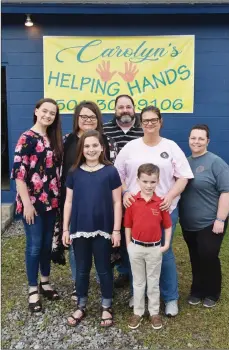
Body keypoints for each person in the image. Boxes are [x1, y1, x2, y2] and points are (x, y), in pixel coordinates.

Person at [114, 105, 194, 316]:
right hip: (136, 209)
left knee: (163, 253)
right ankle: (137, 294)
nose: (149, 123)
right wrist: (125, 193)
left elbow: (184, 176)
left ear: (160, 122)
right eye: (145, 120)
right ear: (140, 122)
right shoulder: (131, 147)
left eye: (154, 120)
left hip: (164, 208)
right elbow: (116, 173)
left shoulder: (171, 147)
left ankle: (170, 298)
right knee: (135, 253)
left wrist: (170, 196)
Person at [55, 100, 117, 301]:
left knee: (102, 253)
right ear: (76, 118)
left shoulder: (107, 141)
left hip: (101, 203)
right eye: (83, 116)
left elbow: (113, 173)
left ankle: (103, 284)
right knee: (77, 247)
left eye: (92, 116)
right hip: (73, 198)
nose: (87, 120)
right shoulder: (66, 141)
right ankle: (78, 284)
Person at [62, 130, 122, 327]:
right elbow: (68, 202)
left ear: (102, 147)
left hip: (103, 229)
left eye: (95, 145)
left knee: (104, 269)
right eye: (87, 146)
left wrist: (116, 230)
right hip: (79, 229)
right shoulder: (74, 172)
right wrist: (65, 229)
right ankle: (81, 304)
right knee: (82, 269)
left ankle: (106, 305)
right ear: (81, 149)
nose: (91, 149)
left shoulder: (111, 171)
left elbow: (116, 203)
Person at [11, 98, 63, 313]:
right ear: (36, 111)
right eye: (45, 111)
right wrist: (27, 204)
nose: (48, 115)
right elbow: (19, 175)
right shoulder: (26, 138)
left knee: (45, 245)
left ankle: (45, 281)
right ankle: (33, 289)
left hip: (51, 202)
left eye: (52, 113)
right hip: (32, 203)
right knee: (34, 245)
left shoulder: (53, 138)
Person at [179, 124, 229, 308]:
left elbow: (226, 191)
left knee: (208, 255)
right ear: (189, 139)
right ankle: (197, 290)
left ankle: (212, 292)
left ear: (207, 141)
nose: (196, 141)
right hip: (189, 222)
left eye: (201, 138)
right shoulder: (185, 162)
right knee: (195, 255)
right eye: (193, 138)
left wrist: (220, 219)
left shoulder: (216, 162)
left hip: (210, 222)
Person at [125, 163, 172, 330]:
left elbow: (167, 225)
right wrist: (128, 244)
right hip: (136, 247)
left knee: (153, 281)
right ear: (138, 181)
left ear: (158, 181)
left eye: (152, 182)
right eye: (145, 181)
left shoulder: (161, 203)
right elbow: (128, 224)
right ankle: (138, 312)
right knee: (138, 282)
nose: (148, 185)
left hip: (154, 249)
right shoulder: (132, 202)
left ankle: (154, 313)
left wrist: (165, 244)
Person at [103, 94, 143, 289]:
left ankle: (135, 271)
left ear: (134, 109)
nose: (125, 110)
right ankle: (121, 271)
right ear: (115, 110)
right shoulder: (104, 130)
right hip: (110, 193)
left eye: (128, 107)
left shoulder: (144, 130)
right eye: (121, 107)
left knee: (134, 233)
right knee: (114, 232)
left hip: (137, 193)